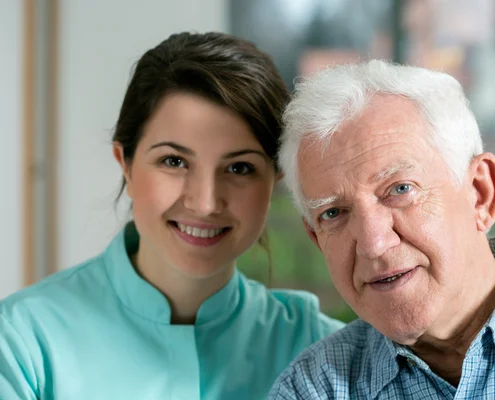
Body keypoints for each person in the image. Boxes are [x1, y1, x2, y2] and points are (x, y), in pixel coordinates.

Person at [0, 32, 344, 400]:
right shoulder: (22, 344)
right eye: (174, 161)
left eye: (240, 168)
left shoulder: (324, 352)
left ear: (274, 181)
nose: (206, 203)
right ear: (126, 165)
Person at [268, 60, 495, 399]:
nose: (373, 244)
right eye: (333, 212)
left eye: (400, 189)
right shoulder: (313, 389)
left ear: (481, 193)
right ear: (315, 238)